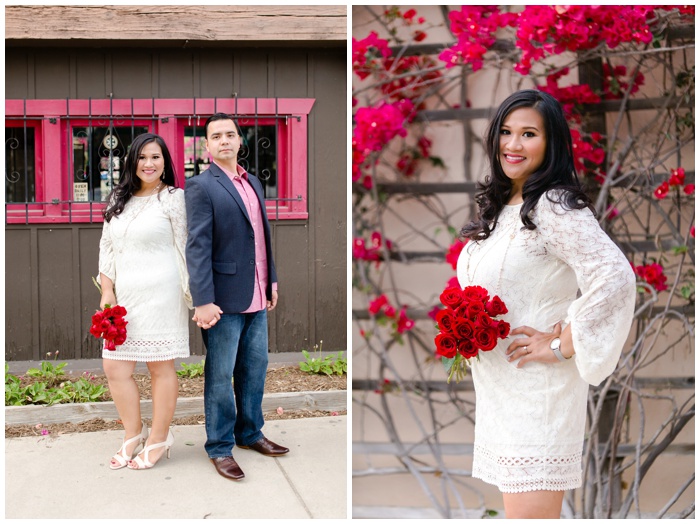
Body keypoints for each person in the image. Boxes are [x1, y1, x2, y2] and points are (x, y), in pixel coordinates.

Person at [456, 90, 636, 518]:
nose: (512, 145)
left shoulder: (554, 206)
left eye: (528, 134)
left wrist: (562, 343)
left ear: (550, 143)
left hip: (539, 392)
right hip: (502, 392)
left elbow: (616, 277)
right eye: (505, 131)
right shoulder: (503, 208)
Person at [185, 113, 288, 482]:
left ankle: (250, 433)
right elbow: (197, 247)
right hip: (222, 300)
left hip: (257, 293)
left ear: (240, 140)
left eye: (230, 134)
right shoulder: (200, 187)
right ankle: (219, 446)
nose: (224, 140)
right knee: (220, 375)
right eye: (217, 136)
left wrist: (271, 281)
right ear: (207, 145)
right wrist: (203, 300)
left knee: (254, 369)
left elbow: (261, 238)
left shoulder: (254, 182)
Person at [98, 133, 191, 470]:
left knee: (159, 365)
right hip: (125, 296)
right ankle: (133, 433)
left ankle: (159, 438)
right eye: (142, 157)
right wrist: (107, 291)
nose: (149, 164)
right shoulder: (117, 199)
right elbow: (107, 246)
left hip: (162, 294)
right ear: (132, 162)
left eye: (156, 157)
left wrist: (196, 293)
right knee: (114, 366)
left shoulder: (174, 199)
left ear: (165, 161)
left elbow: (186, 246)